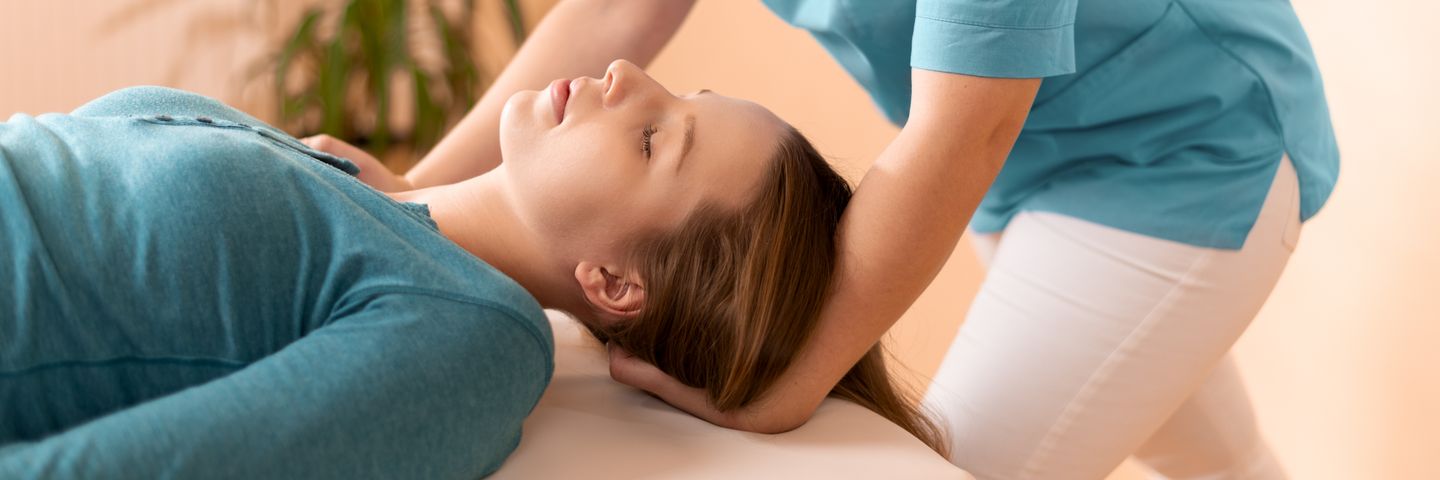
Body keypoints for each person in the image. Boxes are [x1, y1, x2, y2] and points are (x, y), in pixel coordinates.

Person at [350, 1, 1337, 478]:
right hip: (1030, 152)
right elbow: (623, 5)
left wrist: (787, 385)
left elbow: (966, 126)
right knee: (1219, 457)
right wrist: (412, 193)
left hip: (1173, 153)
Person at [0, 61, 942, 477]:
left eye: (655, 139)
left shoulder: (472, 332)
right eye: (677, 93)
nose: (623, 76)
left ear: (613, 284)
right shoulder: (346, 173)